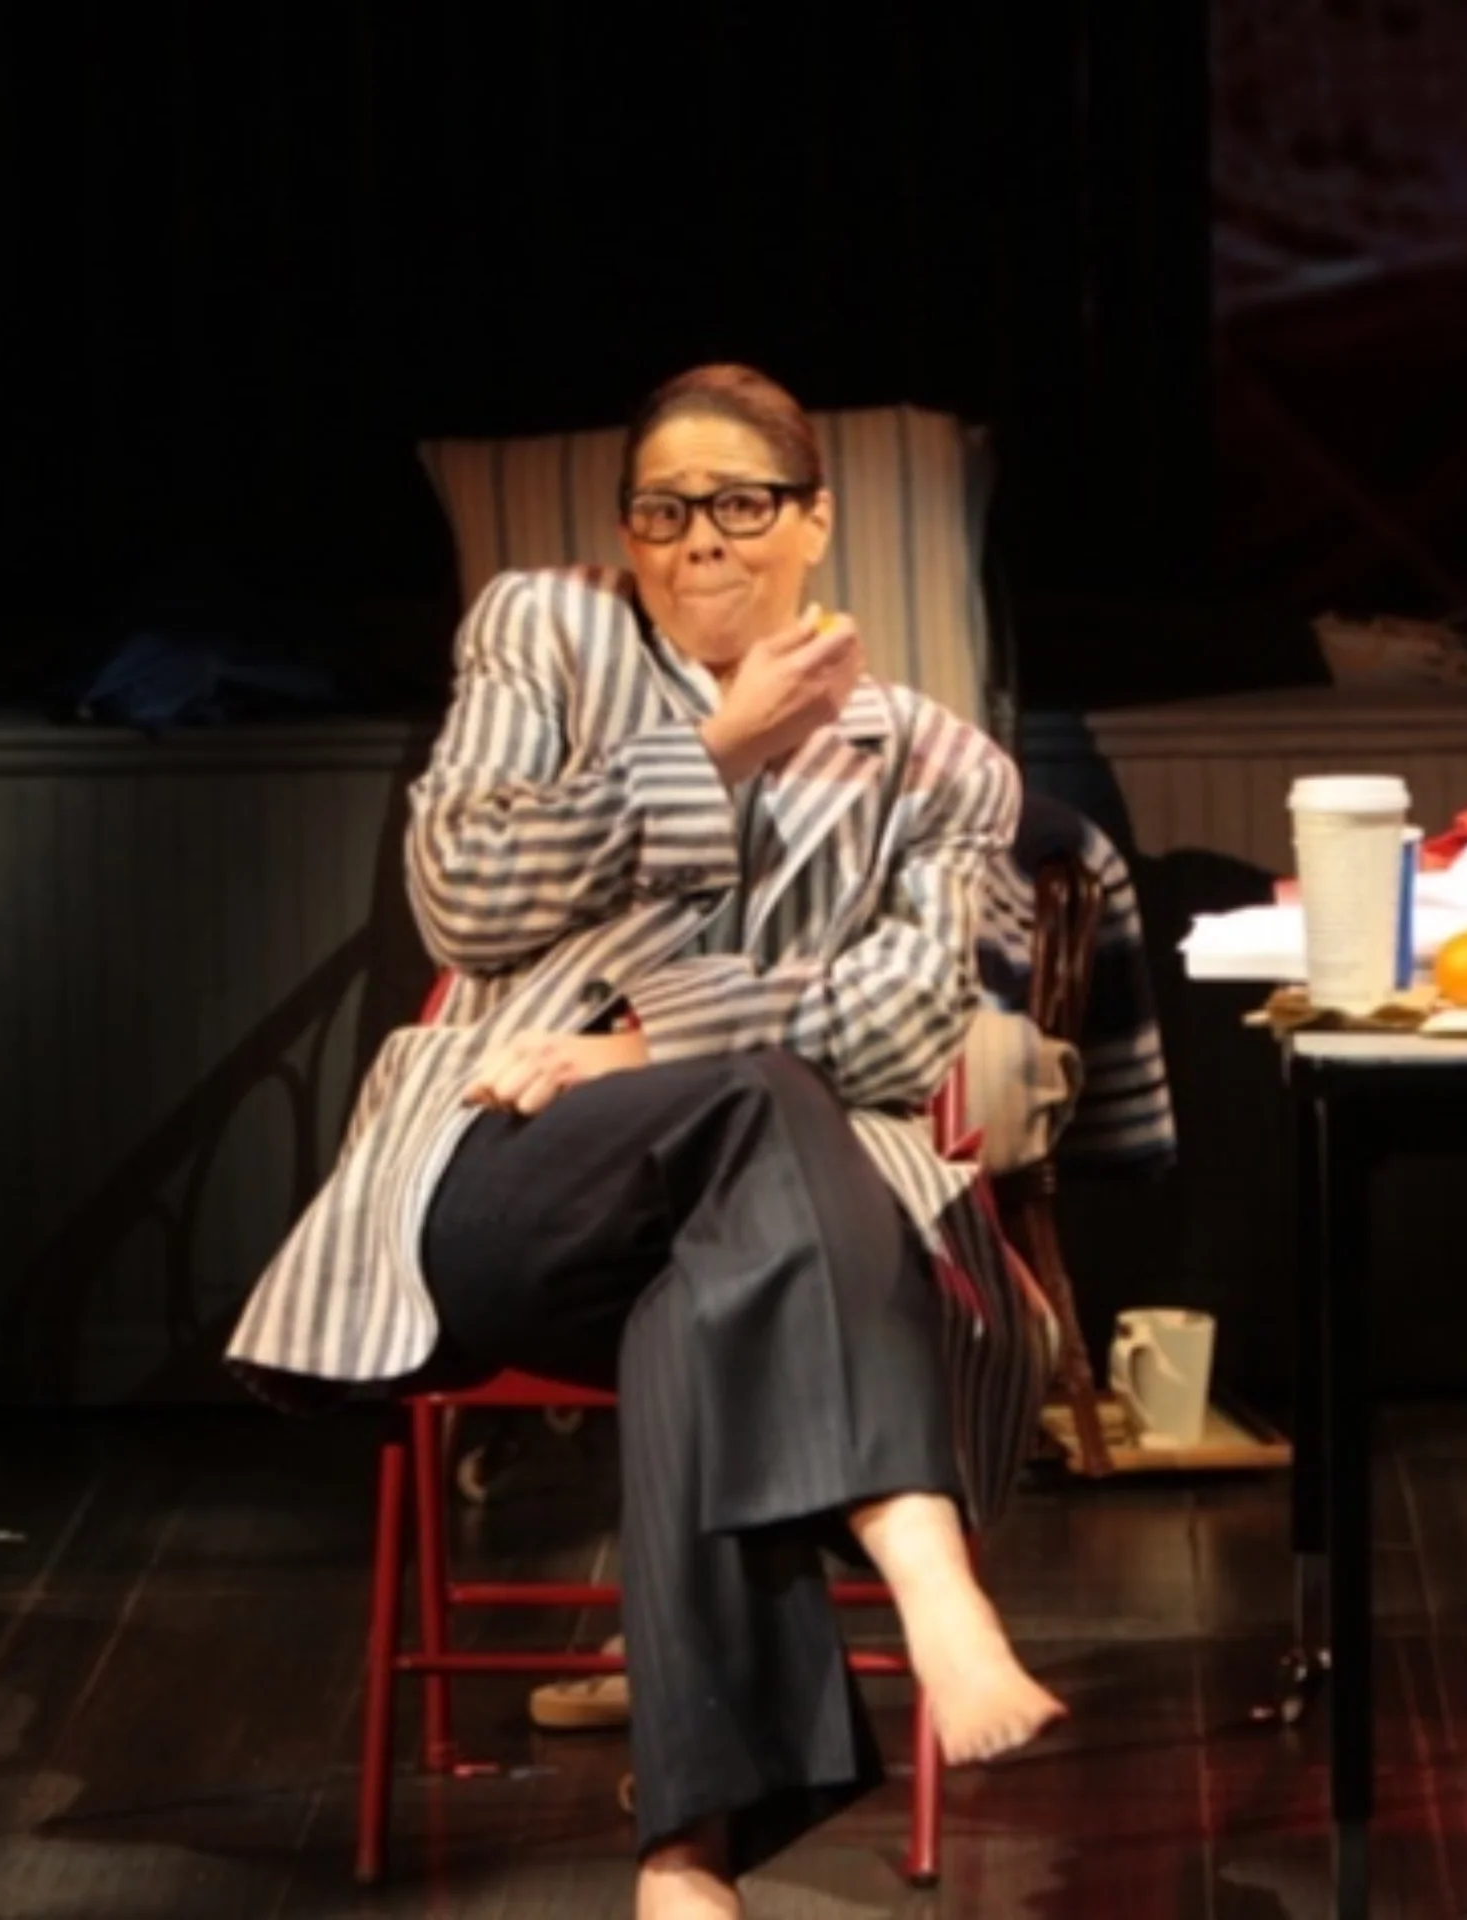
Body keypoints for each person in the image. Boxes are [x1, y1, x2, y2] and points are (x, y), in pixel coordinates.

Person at [227, 363, 1064, 1918]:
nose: (700, 543)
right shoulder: (547, 634)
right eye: (664, 512)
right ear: (627, 531)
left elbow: (903, 1032)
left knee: (710, 1297)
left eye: (741, 505)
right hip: (512, 1182)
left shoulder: (940, 765)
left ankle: (683, 1868)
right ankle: (919, 1550)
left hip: (772, 1241)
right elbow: (463, 897)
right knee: (766, 1097)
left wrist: (649, 1045)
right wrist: (712, 754)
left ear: (814, 522)